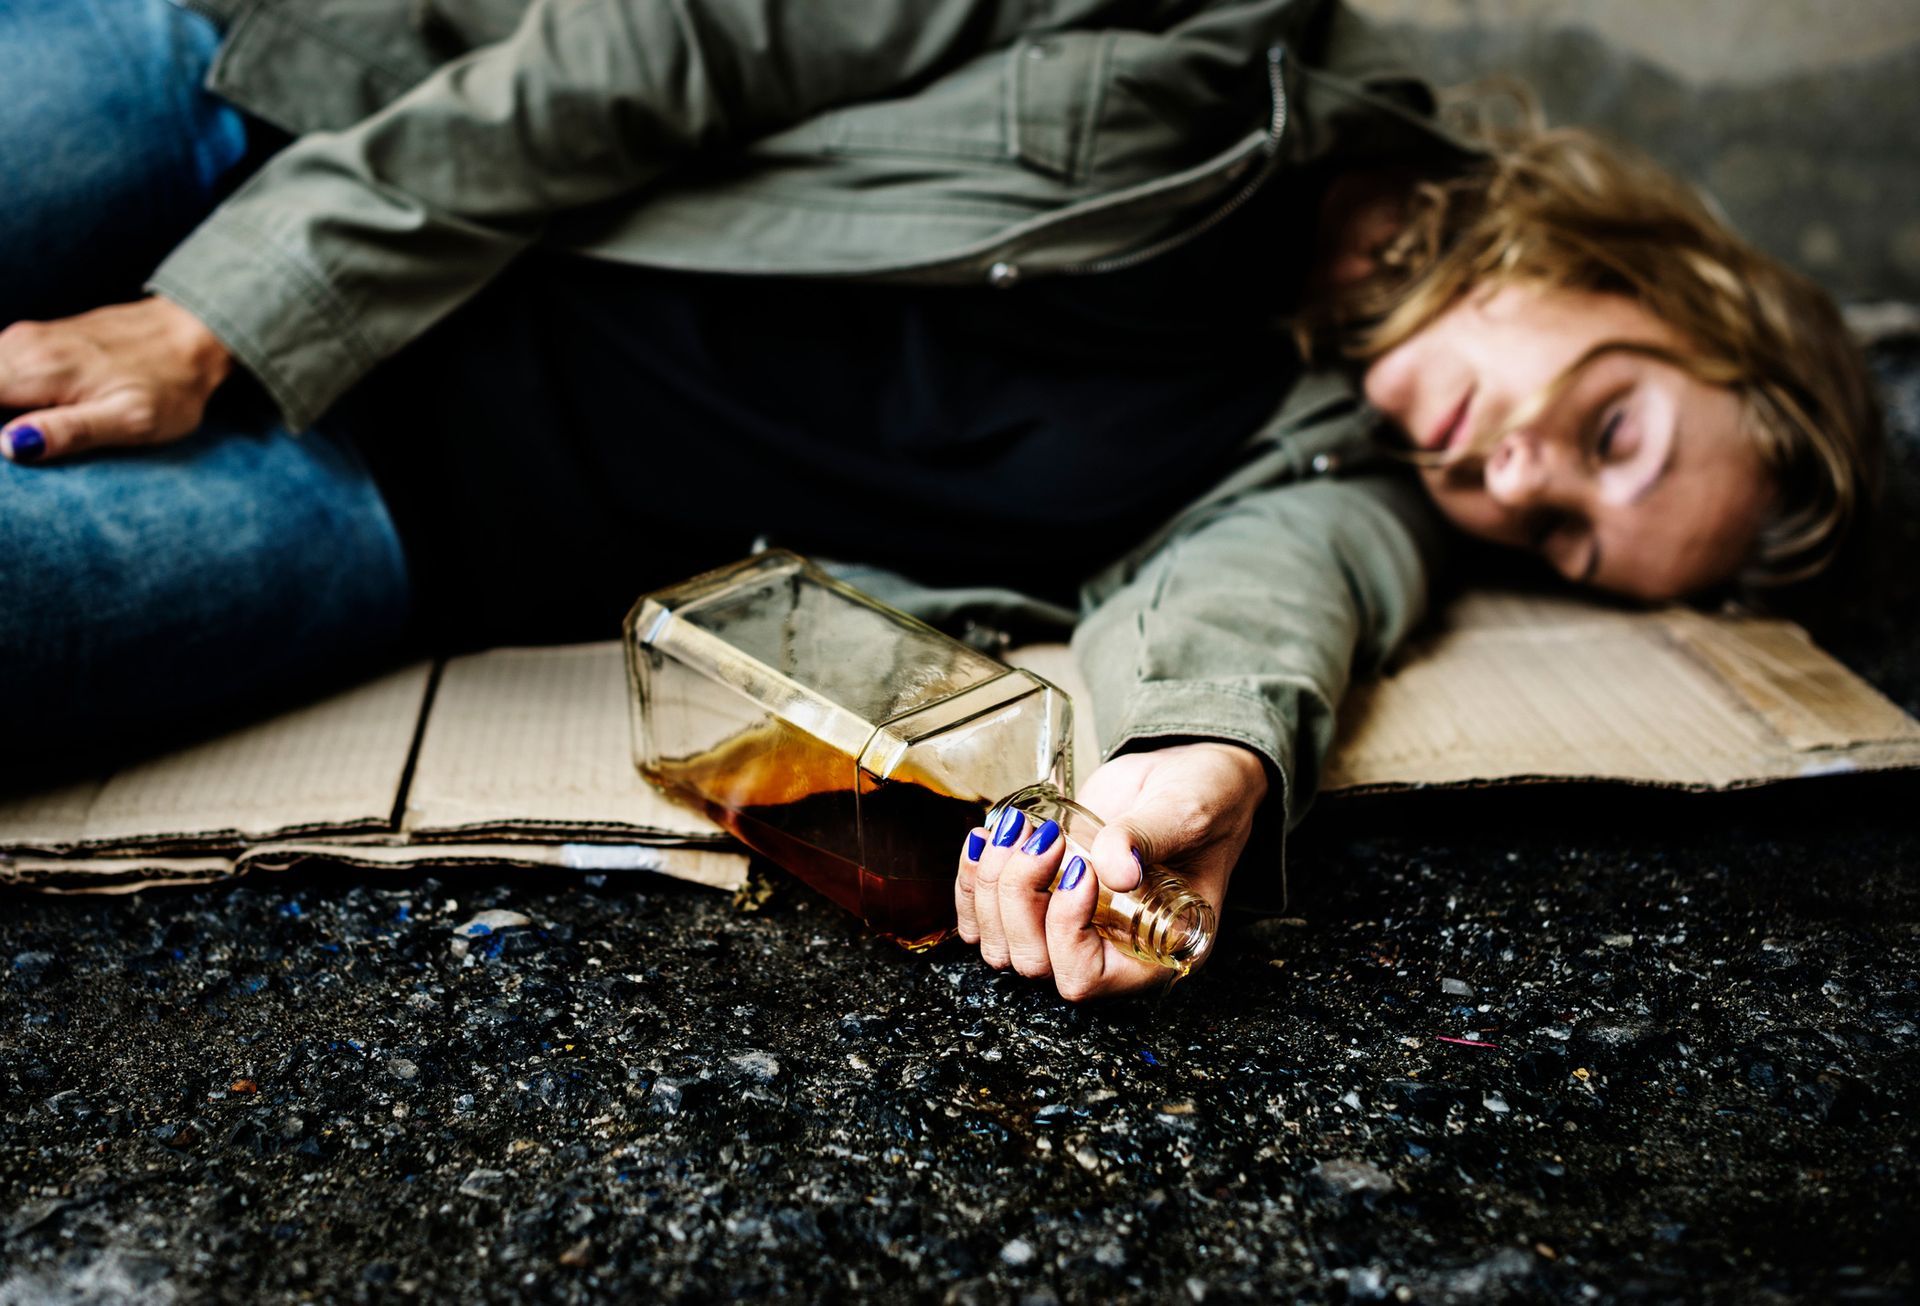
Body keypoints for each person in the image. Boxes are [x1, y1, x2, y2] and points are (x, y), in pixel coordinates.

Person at [0, 0, 1883, 1000]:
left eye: (1561, 540)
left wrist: (1187, 772)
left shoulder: (1342, 473)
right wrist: (223, 315)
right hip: (281, 129)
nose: (1516, 482)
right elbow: (684, 31)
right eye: (1611, 434)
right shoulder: (1227, 32)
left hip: (408, 512)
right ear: (1650, 273)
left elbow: (1264, 609)